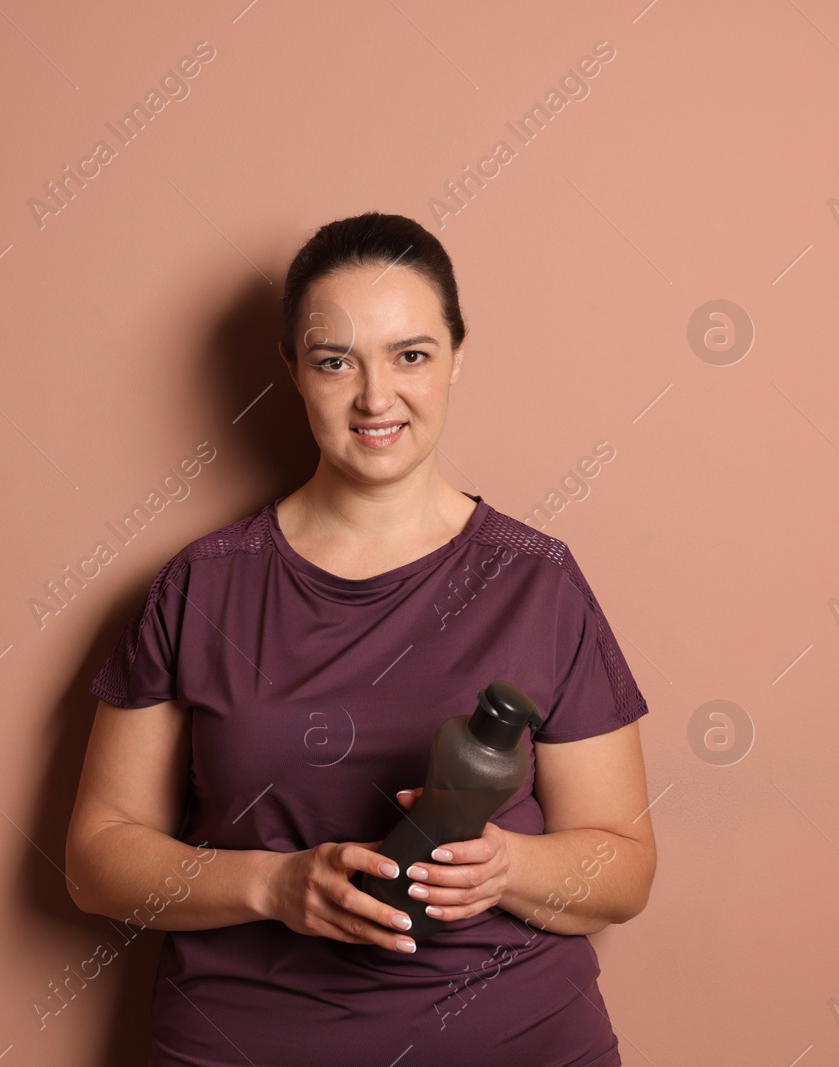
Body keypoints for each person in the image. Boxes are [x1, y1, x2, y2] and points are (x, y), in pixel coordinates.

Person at [64, 212, 656, 1066]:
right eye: (336, 361)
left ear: (458, 355)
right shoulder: (202, 585)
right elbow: (96, 858)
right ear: (295, 374)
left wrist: (507, 868)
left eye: (411, 354)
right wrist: (273, 884)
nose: (376, 397)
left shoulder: (539, 580)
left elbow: (625, 868)